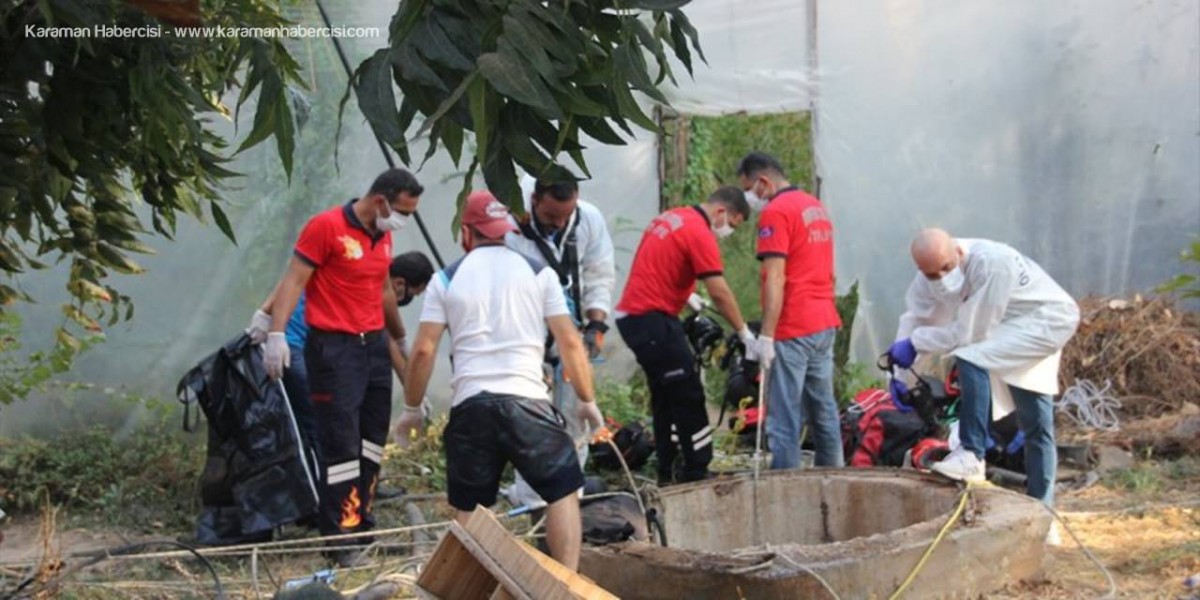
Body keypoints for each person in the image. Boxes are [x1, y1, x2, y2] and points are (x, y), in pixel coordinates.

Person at [400, 190, 603, 571]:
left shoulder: (445, 279)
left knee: (470, 508)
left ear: (466, 232)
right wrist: (586, 399)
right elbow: (570, 340)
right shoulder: (539, 272)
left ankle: (471, 589)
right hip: (528, 400)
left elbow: (424, 350)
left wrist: (411, 408)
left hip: (471, 404)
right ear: (508, 230)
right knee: (562, 491)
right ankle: (565, 586)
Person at [254, 168, 423, 565]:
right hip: (334, 350)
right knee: (341, 445)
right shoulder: (326, 227)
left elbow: (383, 290)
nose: (405, 220)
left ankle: (362, 522)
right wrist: (275, 332)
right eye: (404, 211)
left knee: (370, 441)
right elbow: (293, 281)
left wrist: (398, 338)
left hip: (372, 349)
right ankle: (339, 539)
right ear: (381, 201)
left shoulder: (382, 234)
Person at [890, 228, 1080, 505]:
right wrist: (899, 377)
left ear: (958, 251)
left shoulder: (993, 263)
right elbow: (915, 319)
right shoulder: (925, 280)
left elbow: (971, 334)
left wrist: (916, 343)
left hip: (1044, 323)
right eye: (932, 274)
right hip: (1004, 329)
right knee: (1030, 421)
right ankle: (975, 451)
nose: (941, 279)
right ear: (920, 269)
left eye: (946, 268)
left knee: (1035, 422)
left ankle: (974, 455)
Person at [614, 186, 757, 485]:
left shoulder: (671, 218)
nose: (728, 230)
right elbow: (719, 291)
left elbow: (658, 263)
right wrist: (744, 332)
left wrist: (687, 293)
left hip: (636, 317)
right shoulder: (699, 231)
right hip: (651, 318)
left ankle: (667, 471)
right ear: (721, 212)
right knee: (688, 393)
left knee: (666, 396)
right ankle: (696, 471)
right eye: (732, 223)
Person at [248, 251, 435, 472]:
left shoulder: (362, 269)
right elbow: (390, 344)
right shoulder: (372, 285)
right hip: (295, 347)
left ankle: (335, 485)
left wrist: (414, 395)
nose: (404, 302)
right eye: (411, 293)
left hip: (306, 350)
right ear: (399, 283)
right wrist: (413, 396)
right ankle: (331, 489)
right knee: (324, 425)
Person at [503, 175, 615, 506]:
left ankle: (569, 498)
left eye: (566, 216)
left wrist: (596, 324)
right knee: (531, 423)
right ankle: (531, 501)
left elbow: (599, 273)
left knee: (576, 421)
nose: (560, 223)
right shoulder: (510, 227)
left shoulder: (588, 219)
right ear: (534, 201)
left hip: (573, 337)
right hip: (527, 340)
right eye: (552, 217)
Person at [737, 151, 843, 470]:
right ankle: (835, 479)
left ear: (763, 182)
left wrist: (766, 335)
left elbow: (775, 276)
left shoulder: (776, 212)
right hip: (824, 321)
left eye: (749, 189)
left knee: (783, 417)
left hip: (794, 325)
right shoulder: (815, 206)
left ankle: (784, 490)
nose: (749, 198)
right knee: (823, 409)